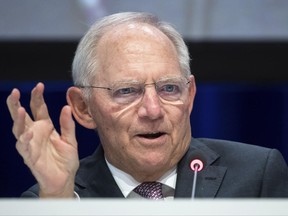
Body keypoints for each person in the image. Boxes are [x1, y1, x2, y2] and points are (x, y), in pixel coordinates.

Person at [6, 12, 288, 199]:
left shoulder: (257, 175)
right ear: (83, 107)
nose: (153, 111)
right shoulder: (53, 198)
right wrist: (57, 198)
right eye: (127, 91)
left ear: (189, 97)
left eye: (169, 88)